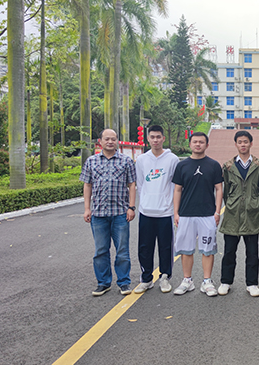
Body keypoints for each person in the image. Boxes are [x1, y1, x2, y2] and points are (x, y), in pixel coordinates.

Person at [80, 129, 136, 296]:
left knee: (122, 250)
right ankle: (103, 283)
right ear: (100, 141)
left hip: (120, 213)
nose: (110, 142)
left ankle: (124, 282)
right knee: (101, 250)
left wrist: (131, 207)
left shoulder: (126, 161)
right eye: (107, 139)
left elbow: (132, 184)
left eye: (113, 139)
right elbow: (87, 185)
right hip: (98, 214)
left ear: (117, 141)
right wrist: (87, 208)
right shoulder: (91, 161)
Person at [172, 131, 223, 297]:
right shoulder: (182, 165)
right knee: (186, 249)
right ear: (190, 144)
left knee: (208, 249)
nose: (198, 144)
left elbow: (219, 189)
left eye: (201, 142)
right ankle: (187, 280)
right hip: (186, 214)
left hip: (207, 214)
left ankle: (207, 281)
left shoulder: (214, 165)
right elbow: (177, 190)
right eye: (195, 142)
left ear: (207, 145)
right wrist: (176, 213)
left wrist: (217, 212)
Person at [218, 131, 259, 297]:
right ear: (236, 144)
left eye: (246, 142)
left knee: (252, 252)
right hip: (232, 214)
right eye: (240, 142)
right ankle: (226, 281)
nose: (243, 144)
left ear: (251, 144)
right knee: (229, 251)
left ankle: (252, 283)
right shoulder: (228, 166)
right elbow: (225, 190)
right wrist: (232, 204)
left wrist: (255, 203)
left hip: (252, 214)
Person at [133, 125, 179, 295]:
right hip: (146, 211)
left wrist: (172, 207)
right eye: (152, 137)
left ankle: (164, 277)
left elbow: (175, 185)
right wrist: (145, 202)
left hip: (165, 212)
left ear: (163, 139)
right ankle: (146, 279)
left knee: (165, 247)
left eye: (158, 137)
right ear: (148, 139)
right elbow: (140, 183)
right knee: (145, 247)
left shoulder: (172, 159)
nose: (155, 140)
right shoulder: (142, 160)